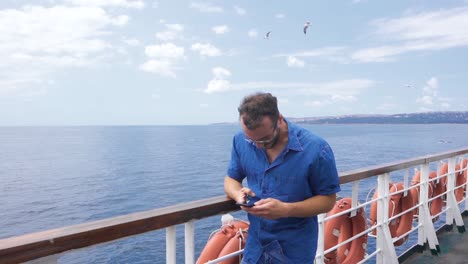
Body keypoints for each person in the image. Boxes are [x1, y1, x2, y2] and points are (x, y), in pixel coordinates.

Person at [224, 92, 341, 263]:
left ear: (279, 119)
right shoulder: (240, 140)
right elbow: (231, 179)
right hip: (255, 246)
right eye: (251, 139)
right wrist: (237, 194)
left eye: (264, 139)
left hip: (294, 250)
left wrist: (286, 209)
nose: (256, 145)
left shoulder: (316, 148)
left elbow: (328, 200)